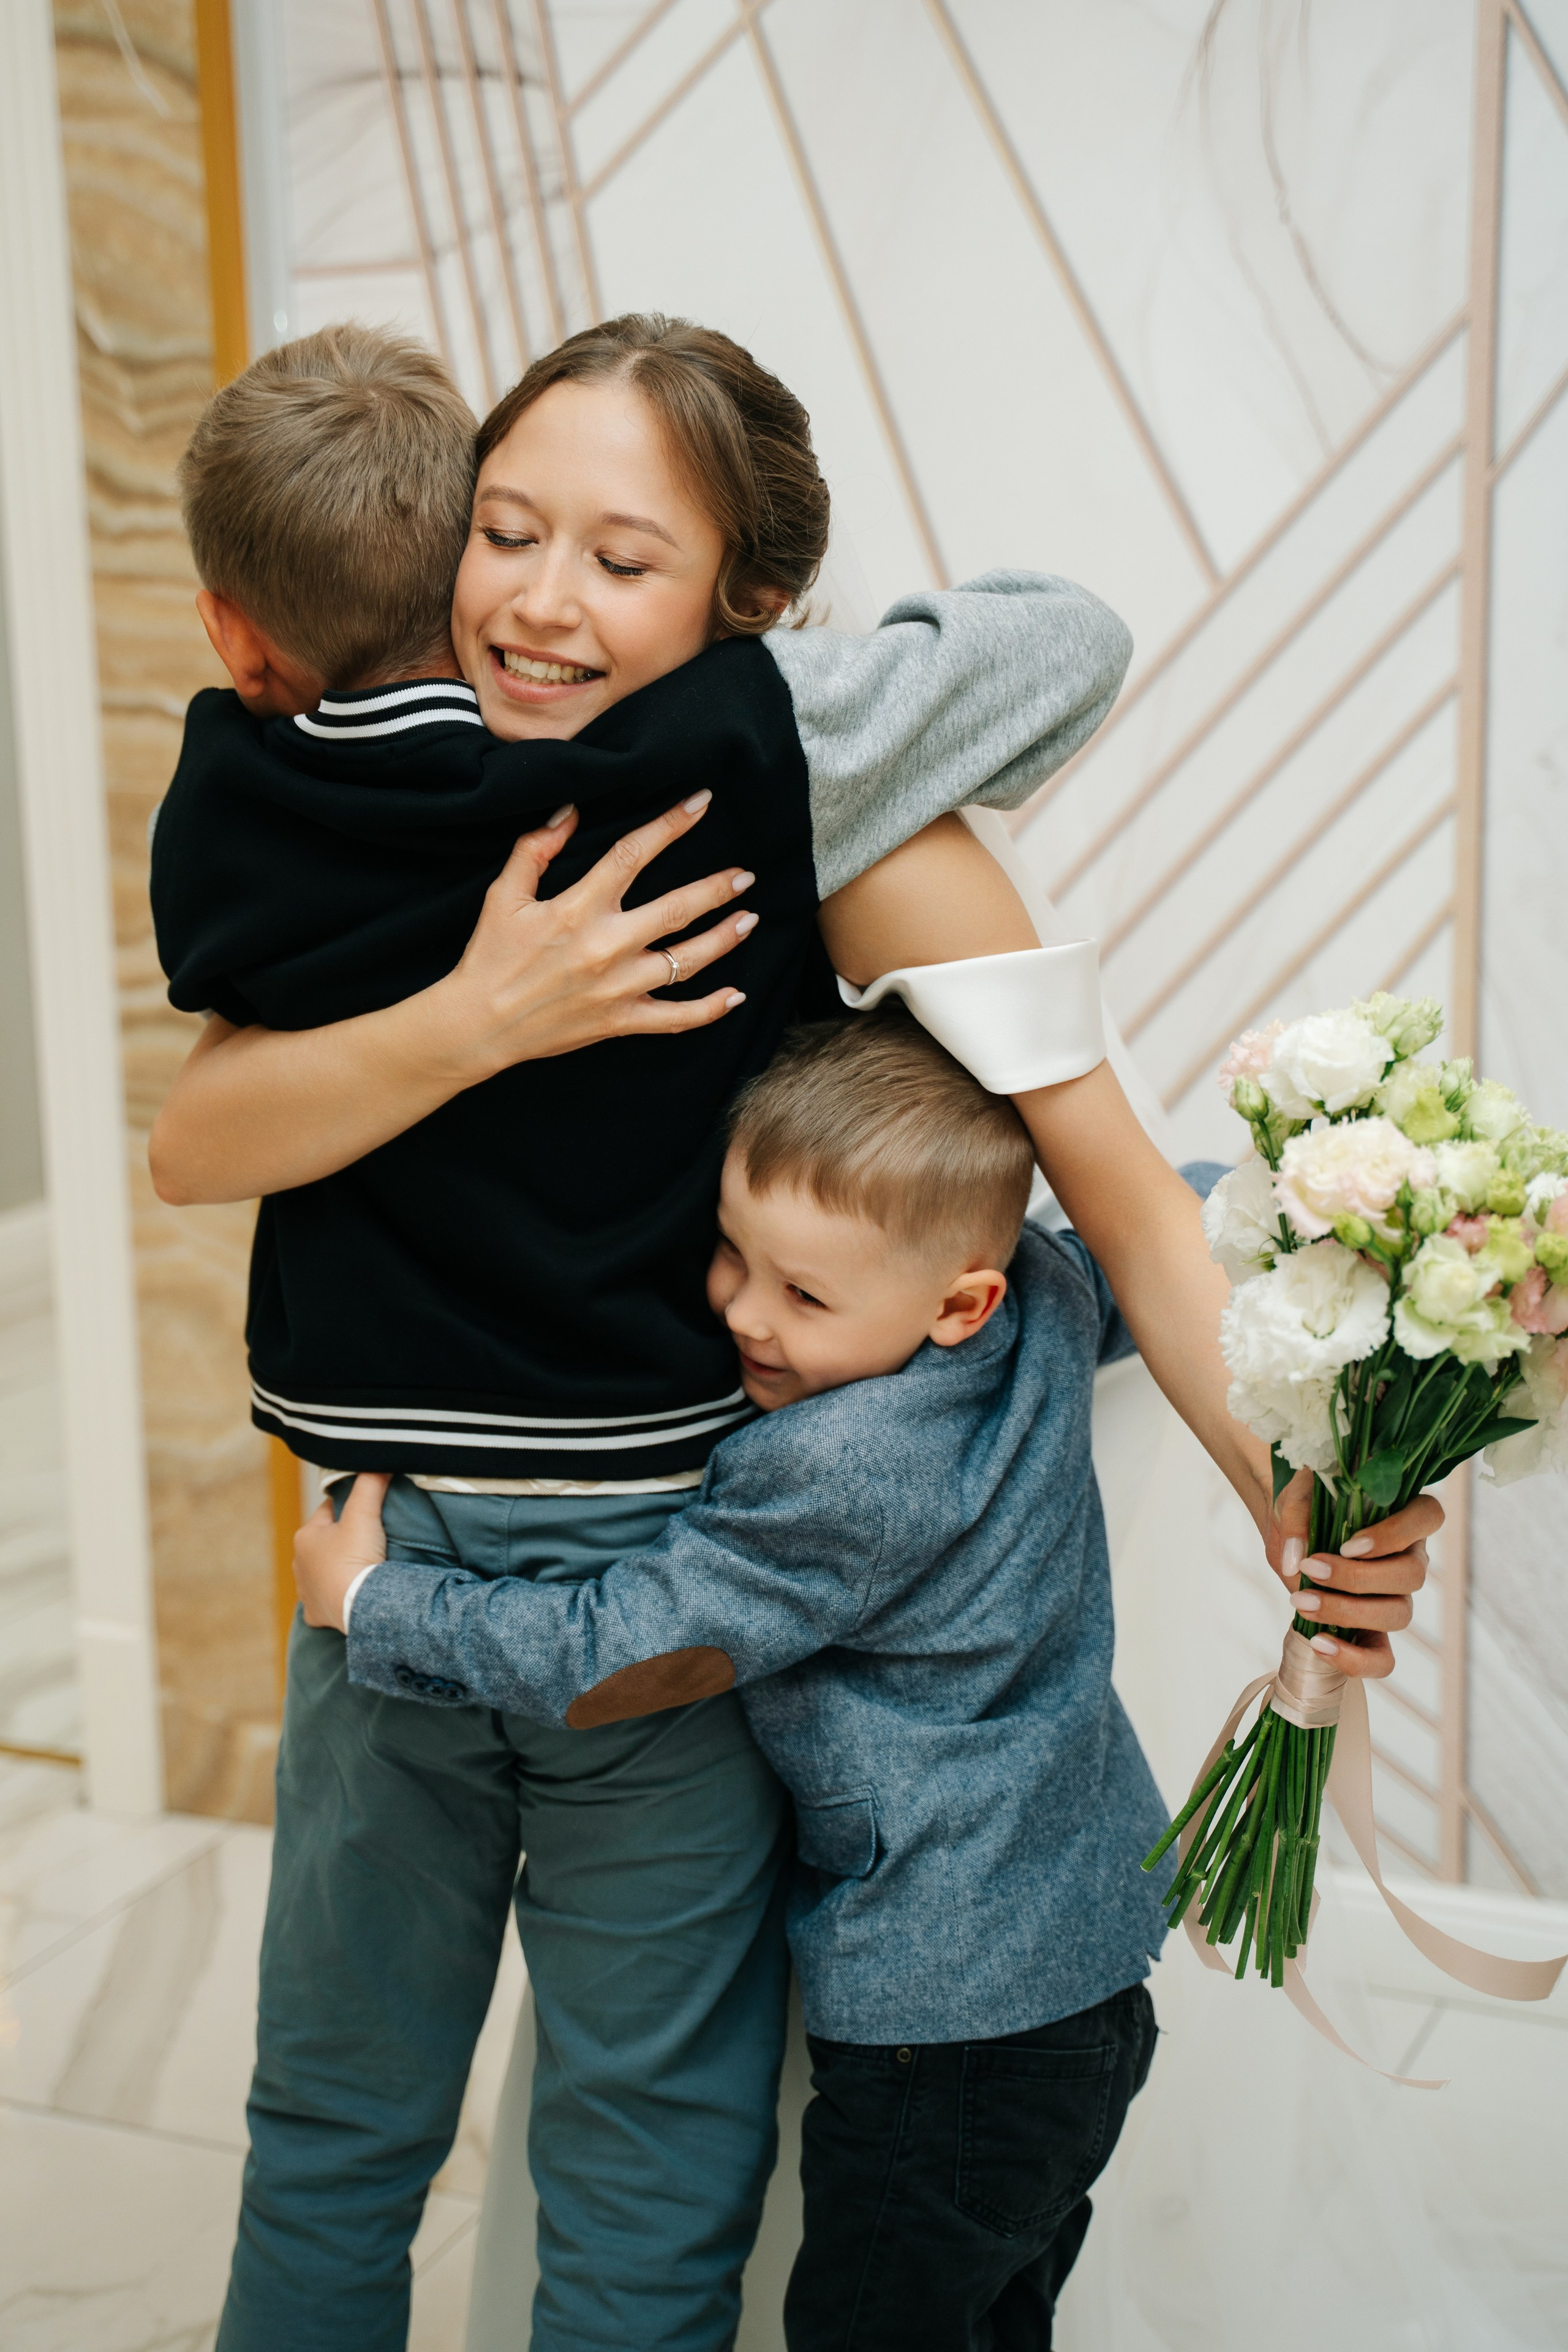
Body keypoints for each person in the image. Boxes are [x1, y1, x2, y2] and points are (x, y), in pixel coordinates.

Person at [149, 316, 1431, 2351]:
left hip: (656, 1589)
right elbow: (200, 1133)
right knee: (339, 2116)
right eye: (502, 528)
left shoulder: (817, 788)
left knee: (647, 2157)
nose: (539, 601)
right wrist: (488, 1009)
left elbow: (1106, 1186)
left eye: (623, 558)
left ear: (750, 616)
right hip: (380, 1566)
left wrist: (1290, 1486)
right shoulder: (380, 783)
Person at [291, 1012, 1441, 2350]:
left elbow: (620, 1649)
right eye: (733, 1255)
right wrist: (1322, 1228)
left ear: (961, 1301)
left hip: (939, 2041)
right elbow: (1169, 1218)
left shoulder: (835, 1471)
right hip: (1077, 1990)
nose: (740, 1313)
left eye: (803, 1295)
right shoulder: (1049, 1304)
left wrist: (375, 1602)